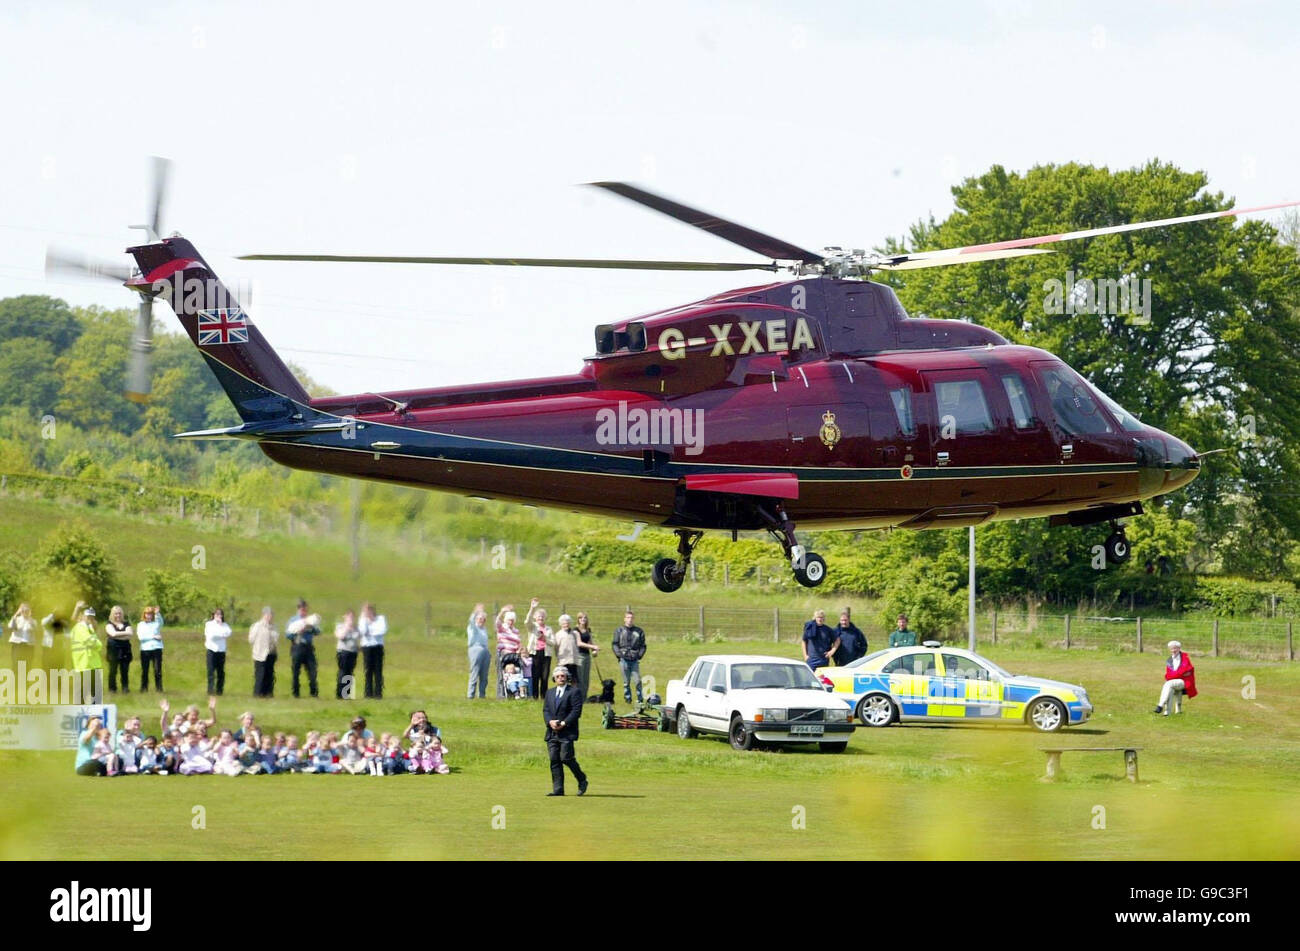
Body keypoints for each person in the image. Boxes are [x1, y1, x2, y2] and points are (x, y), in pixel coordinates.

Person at [543, 667, 587, 796]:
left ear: (567, 677)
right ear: (554, 679)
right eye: (558, 676)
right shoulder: (550, 693)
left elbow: (576, 711)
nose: (560, 678)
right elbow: (546, 710)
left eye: (563, 676)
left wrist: (564, 723)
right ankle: (558, 789)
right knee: (554, 760)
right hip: (552, 732)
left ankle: (582, 779)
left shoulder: (574, 692)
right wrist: (550, 722)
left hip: (567, 731)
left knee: (566, 758)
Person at [285, 599, 322, 699]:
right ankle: (296, 693)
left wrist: (311, 628)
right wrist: (298, 632)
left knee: (312, 671)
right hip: (297, 646)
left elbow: (318, 632)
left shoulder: (310, 619)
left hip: (309, 648)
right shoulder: (293, 620)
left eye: (305, 610)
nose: (304, 612)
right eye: (302, 609)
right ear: (298, 609)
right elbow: (287, 635)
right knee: (296, 671)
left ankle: (314, 693)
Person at [611, 610, 647, 704]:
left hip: (634, 659)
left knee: (637, 680)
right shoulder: (619, 630)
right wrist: (619, 655)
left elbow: (643, 645)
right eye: (628, 618)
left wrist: (639, 655)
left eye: (631, 618)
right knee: (626, 682)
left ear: (633, 619)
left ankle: (640, 699)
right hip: (623, 659)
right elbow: (615, 644)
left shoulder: (639, 631)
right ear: (624, 619)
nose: (630, 620)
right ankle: (628, 699)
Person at [1154, 640, 1198, 715]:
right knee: (1169, 687)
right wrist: (1176, 674)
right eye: (1171, 648)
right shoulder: (1169, 660)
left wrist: (1174, 675)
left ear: (1179, 648)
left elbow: (1183, 671)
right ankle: (1167, 713)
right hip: (1174, 682)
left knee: (1168, 683)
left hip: (1184, 682)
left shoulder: (1184, 658)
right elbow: (1167, 675)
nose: (1173, 650)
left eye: (1175, 648)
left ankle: (1160, 705)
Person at [69, 607, 103, 702]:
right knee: (82, 695)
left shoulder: (89, 628)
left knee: (96, 694)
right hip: (84, 664)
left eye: (92, 617)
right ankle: (79, 714)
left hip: (92, 664)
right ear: (82, 616)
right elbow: (91, 642)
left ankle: (95, 714)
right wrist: (99, 644)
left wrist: (97, 644)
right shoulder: (80, 627)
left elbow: (95, 643)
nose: (90, 618)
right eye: (88, 616)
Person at [524, 598, 552, 701]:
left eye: (543, 616)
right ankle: (535, 697)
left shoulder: (548, 629)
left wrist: (545, 638)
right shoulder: (532, 627)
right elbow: (527, 621)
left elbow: (553, 642)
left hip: (546, 654)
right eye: (539, 616)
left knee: (544, 677)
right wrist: (532, 608)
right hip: (534, 653)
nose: (541, 618)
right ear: (535, 618)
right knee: (535, 676)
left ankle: (544, 697)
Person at [359, 602, 387, 699]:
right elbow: (362, 632)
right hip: (367, 647)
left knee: (378, 670)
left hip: (378, 646)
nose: (367, 613)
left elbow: (382, 631)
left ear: (372, 610)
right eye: (365, 611)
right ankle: (368, 693)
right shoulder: (362, 620)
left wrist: (371, 632)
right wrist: (366, 622)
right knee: (368, 670)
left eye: (368, 610)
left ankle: (378, 693)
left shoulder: (380, 619)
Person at [103, 605, 134, 694]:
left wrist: (117, 635)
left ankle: (125, 688)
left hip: (125, 650)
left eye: (119, 613)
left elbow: (130, 634)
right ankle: (112, 689)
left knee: (125, 670)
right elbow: (112, 634)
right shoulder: (109, 624)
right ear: (112, 614)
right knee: (113, 670)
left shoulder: (126, 623)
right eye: (116, 613)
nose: (118, 615)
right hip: (113, 650)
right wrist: (125, 634)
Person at [249, 607, 278, 697]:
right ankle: (258, 693)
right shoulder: (257, 626)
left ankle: (268, 693)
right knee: (260, 674)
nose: (269, 617)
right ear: (264, 615)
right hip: (260, 654)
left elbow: (276, 639)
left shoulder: (274, 627)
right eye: (268, 615)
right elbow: (251, 639)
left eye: (271, 615)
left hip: (271, 653)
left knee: (269, 674)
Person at [496, 605, 522, 699]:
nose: (510, 622)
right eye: (508, 620)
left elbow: (518, 643)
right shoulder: (502, 628)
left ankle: (515, 693)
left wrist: (519, 650)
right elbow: (497, 622)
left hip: (514, 656)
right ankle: (501, 695)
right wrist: (502, 611)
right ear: (505, 620)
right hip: (503, 654)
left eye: (512, 620)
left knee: (515, 673)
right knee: (502, 675)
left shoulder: (516, 631)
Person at [137, 605, 164, 693]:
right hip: (145, 649)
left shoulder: (156, 623)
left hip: (157, 648)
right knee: (145, 670)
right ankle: (144, 688)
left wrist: (158, 613)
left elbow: (161, 622)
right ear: (144, 615)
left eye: (150, 614)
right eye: (147, 614)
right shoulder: (141, 624)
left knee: (157, 670)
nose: (149, 616)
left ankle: (159, 688)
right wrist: (154, 636)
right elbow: (141, 637)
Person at [204, 608, 232, 695]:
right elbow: (212, 636)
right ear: (214, 615)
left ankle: (220, 690)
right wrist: (222, 635)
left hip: (221, 651)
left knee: (221, 672)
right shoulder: (209, 624)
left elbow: (229, 633)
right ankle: (210, 690)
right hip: (211, 650)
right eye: (217, 614)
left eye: (220, 614)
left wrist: (221, 628)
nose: (218, 616)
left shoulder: (224, 625)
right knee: (211, 671)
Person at [466, 603, 490, 699]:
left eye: (483, 619)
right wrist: (476, 611)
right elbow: (471, 620)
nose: (481, 621)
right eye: (479, 618)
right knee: (474, 673)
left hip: (485, 650)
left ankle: (482, 695)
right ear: (476, 619)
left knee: (484, 675)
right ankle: (470, 695)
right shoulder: (473, 627)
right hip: (475, 649)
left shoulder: (484, 629)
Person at [335, 609, 360, 699]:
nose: (351, 619)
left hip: (353, 652)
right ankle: (340, 693)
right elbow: (341, 636)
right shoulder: (340, 626)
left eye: (352, 617)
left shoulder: (356, 628)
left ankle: (347, 694)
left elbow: (357, 638)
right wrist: (347, 627)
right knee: (343, 672)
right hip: (343, 652)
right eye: (349, 617)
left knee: (350, 672)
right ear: (345, 617)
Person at [574, 610, 599, 699]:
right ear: (578, 619)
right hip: (579, 656)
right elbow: (579, 643)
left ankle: (584, 697)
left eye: (585, 617)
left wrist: (594, 650)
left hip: (587, 656)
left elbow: (590, 641)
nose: (583, 619)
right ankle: (578, 698)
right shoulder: (575, 630)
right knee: (580, 678)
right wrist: (593, 646)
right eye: (581, 618)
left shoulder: (588, 630)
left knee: (586, 678)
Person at [7, 603, 37, 669]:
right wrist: (16, 614)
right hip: (17, 645)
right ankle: (16, 678)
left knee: (28, 664)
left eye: (27, 610)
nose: (25, 612)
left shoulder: (33, 621)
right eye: (23, 609)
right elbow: (10, 626)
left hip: (29, 645)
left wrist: (29, 616)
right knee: (16, 664)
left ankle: (26, 678)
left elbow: (34, 628)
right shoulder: (16, 619)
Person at [552, 613, 580, 685]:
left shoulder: (574, 633)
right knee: (564, 679)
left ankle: (574, 694)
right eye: (563, 624)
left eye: (567, 623)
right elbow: (556, 648)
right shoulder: (558, 634)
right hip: (563, 661)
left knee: (574, 680)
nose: (566, 625)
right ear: (560, 624)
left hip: (573, 660)